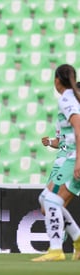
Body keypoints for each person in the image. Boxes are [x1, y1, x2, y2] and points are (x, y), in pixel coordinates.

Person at [32, 64, 80, 262]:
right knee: (47, 200)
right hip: (68, 158)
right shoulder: (73, 98)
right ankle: (77, 238)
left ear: (56, 80)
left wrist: (78, 161)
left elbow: (78, 128)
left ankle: (56, 249)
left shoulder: (67, 99)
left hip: (73, 158)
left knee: (50, 201)